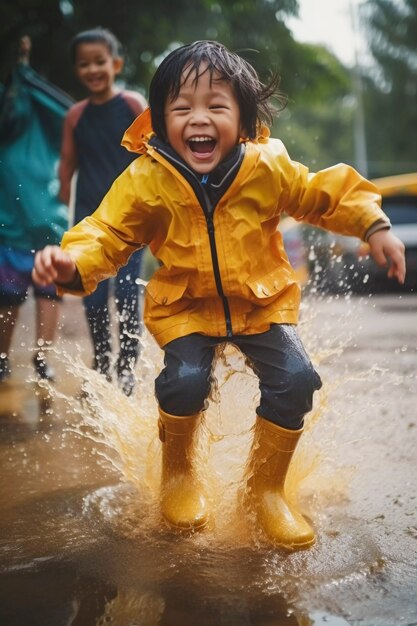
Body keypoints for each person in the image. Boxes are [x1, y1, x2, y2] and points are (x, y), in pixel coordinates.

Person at [32, 41, 406, 551]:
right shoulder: (146, 179)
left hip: (261, 301)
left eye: (216, 106)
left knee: (298, 379)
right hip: (186, 306)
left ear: (244, 119)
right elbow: (107, 232)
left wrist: (373, 224)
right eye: (181, 108)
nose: (198, 119)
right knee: (184, 382)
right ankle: (180, 474)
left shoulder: (267, 167)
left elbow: (322, 193)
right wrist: (71, 262)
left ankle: (266, 490)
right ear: (160, 120)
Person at [59, 28, 147, 395]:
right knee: (93, 298)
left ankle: (126, 368)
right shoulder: (75, 116)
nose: (93, 69)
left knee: (127, 295)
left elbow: (153, 153)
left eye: (100, 62)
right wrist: (63, 207)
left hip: (131, 222)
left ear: (116, 64)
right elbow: (67, 166)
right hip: (91, 224)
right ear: (77, 69)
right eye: (84, 64)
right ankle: (101, 364)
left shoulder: (132, 105)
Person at [0, 36, 72, 383]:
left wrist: (23, 70)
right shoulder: (7, 109)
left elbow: (68, 111)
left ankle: (42, 359)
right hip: (8, 226)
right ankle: (1, 359)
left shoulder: (40, 108)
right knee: (7, 298)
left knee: (49, 293)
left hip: (47, 222)